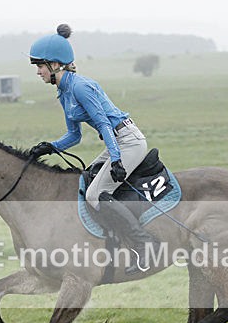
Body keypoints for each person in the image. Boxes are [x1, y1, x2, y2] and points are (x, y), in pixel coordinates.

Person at [28, 24, 157, 273]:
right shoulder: (64, 92)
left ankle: (144, 244)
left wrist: (116, 159)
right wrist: (50, 147)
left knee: (95, 195)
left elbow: (103, 123)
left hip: (128, 141)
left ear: (55, 64)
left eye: (40, 66)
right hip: (116, 141)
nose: (37, 72)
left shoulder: (79, 87)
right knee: (86, 180)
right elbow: (74, 136)